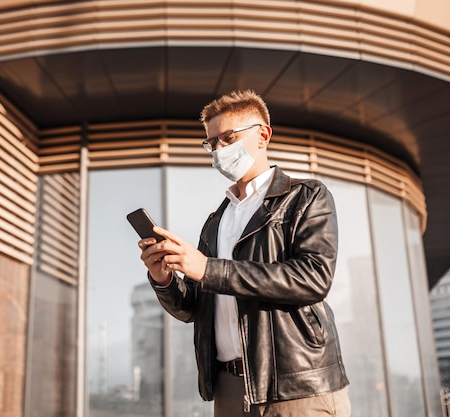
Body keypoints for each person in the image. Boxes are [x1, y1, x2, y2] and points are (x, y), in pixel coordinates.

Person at [137, 90, 350, 417]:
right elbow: (194, 308)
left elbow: (312, 279)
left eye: (228, 137)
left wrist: (209, 269)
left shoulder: (306, 197)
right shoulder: (216, 222)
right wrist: (164, 278)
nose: (219, 150)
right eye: (212, 143)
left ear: (263, 135)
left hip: (296, 387)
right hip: (230, 388)